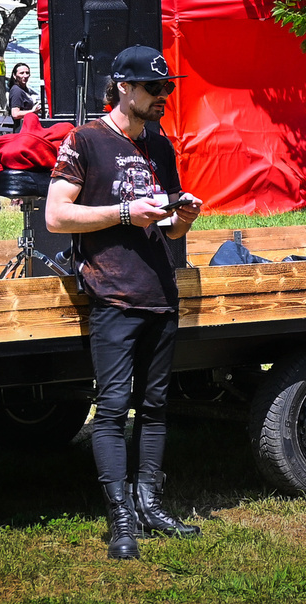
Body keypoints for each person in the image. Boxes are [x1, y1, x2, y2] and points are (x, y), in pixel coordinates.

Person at [45, 46, 205, 559]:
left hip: (159, 293)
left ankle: (151, 506)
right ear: (123, 88)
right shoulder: (85, 141)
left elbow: (167, 226)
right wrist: (123, 213)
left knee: (155, 406)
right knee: (113, 407)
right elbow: (56, 216)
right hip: (113, 294)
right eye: (154, 88)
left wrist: (181, 218)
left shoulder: (160, 145)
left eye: (167, 88)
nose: (163, 96)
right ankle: (121, 519)